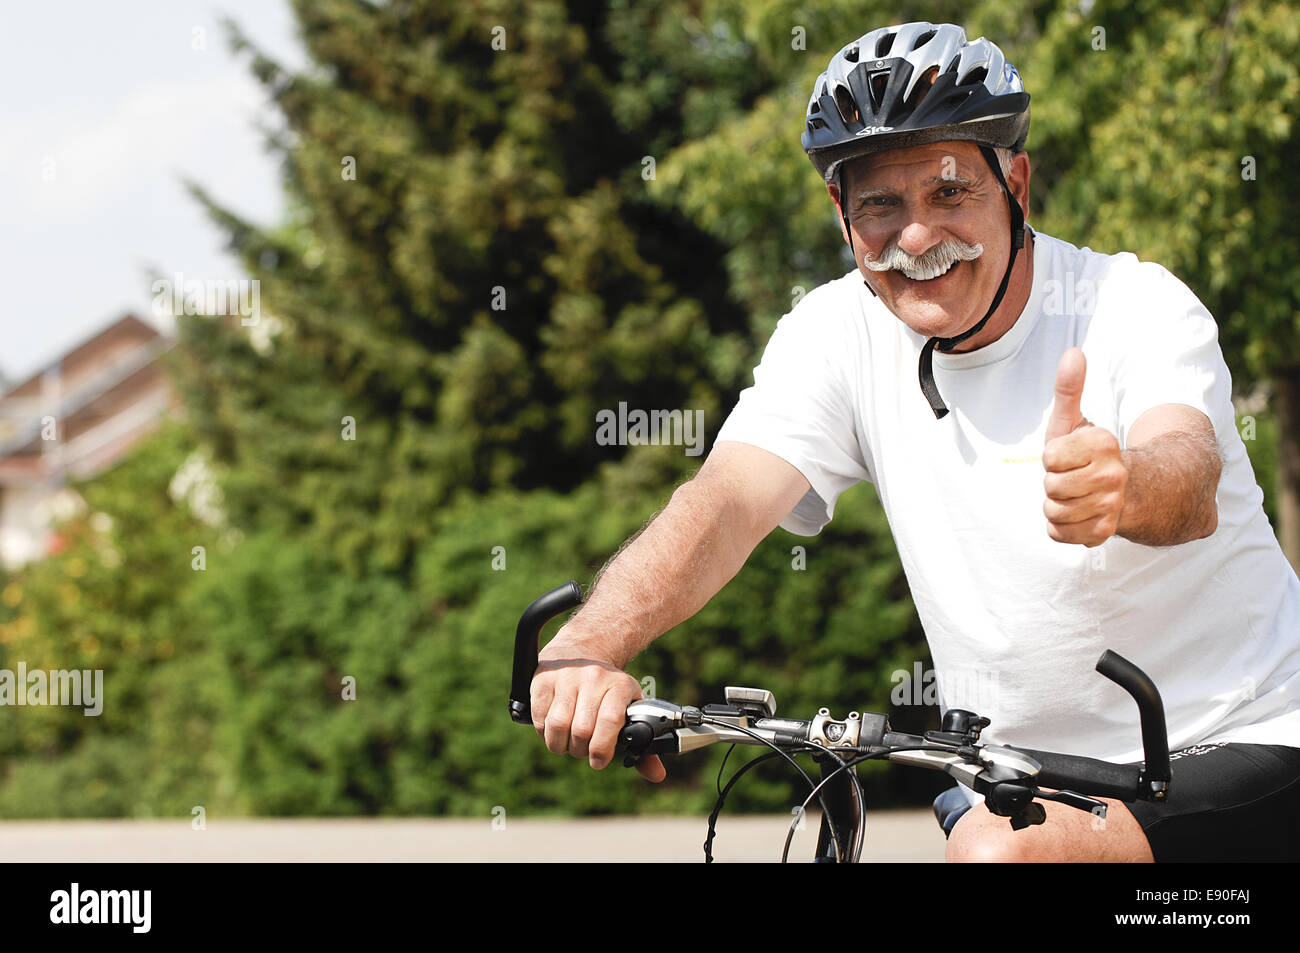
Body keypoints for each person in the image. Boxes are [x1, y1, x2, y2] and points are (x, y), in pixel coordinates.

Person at [528, 21, 1300, 862]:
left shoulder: (1133, 304)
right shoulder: (836, 331)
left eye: (949, 194)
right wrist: (585, 646)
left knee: (998, 857)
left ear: (1017, 185)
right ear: (841, 212)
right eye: (880, 206)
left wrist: (1125, 488)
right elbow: (723, 503)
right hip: (1014, 778)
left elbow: (1186, 474)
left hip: (1241, 736)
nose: (918, 238)